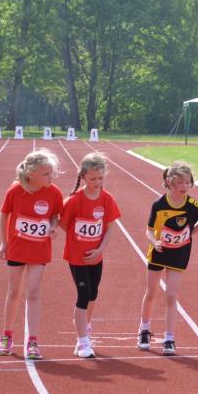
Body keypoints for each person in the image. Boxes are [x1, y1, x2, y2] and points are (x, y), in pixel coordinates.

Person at [0, 149, 63, 359]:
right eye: (46, 174)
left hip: (39, 249)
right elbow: (3, 216)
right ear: (31, 174)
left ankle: (32, 341)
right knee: (14, 292)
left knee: (33, 293)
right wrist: (4, 243)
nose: (51, 177)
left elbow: (55, 215)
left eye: (52, 173)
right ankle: (6, 337)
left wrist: (53, 227)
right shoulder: (15, 190)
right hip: (17, 247)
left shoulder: (54, 192)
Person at [138, 161, 198, 355]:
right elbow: (148, 230)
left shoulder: (192, 205)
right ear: (170, 182)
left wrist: (190, 233)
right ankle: (144, 330)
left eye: (188, 182)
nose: (185, 186)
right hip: (159, 253)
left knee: (171, 295)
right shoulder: (159, 205)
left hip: (179, 253)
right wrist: (155, 242)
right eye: (181, 182)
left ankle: (169, 338)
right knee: (151, 293)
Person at [59, 153, 121, 359]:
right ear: (83, 176)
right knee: (84, 296)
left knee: (93, 294)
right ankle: (82, 341)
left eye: (100, 178)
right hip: (77, 257)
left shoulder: (107, 198)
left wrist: (100, 249)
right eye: (93, 178)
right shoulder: (75, 200)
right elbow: (63, 223)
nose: (97, 182)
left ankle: (86, 327)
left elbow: (110, 227)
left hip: (96, 256)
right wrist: (76, 240)